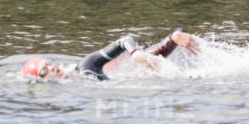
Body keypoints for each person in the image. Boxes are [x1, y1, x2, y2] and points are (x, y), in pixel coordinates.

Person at [21, 28, 200, 81]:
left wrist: (135, 53)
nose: (51, 68)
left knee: (143, 61)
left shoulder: (87, 66)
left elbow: (124, 40)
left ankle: (174, 38)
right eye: (45, 71)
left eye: (49, 63)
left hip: (135, 63)